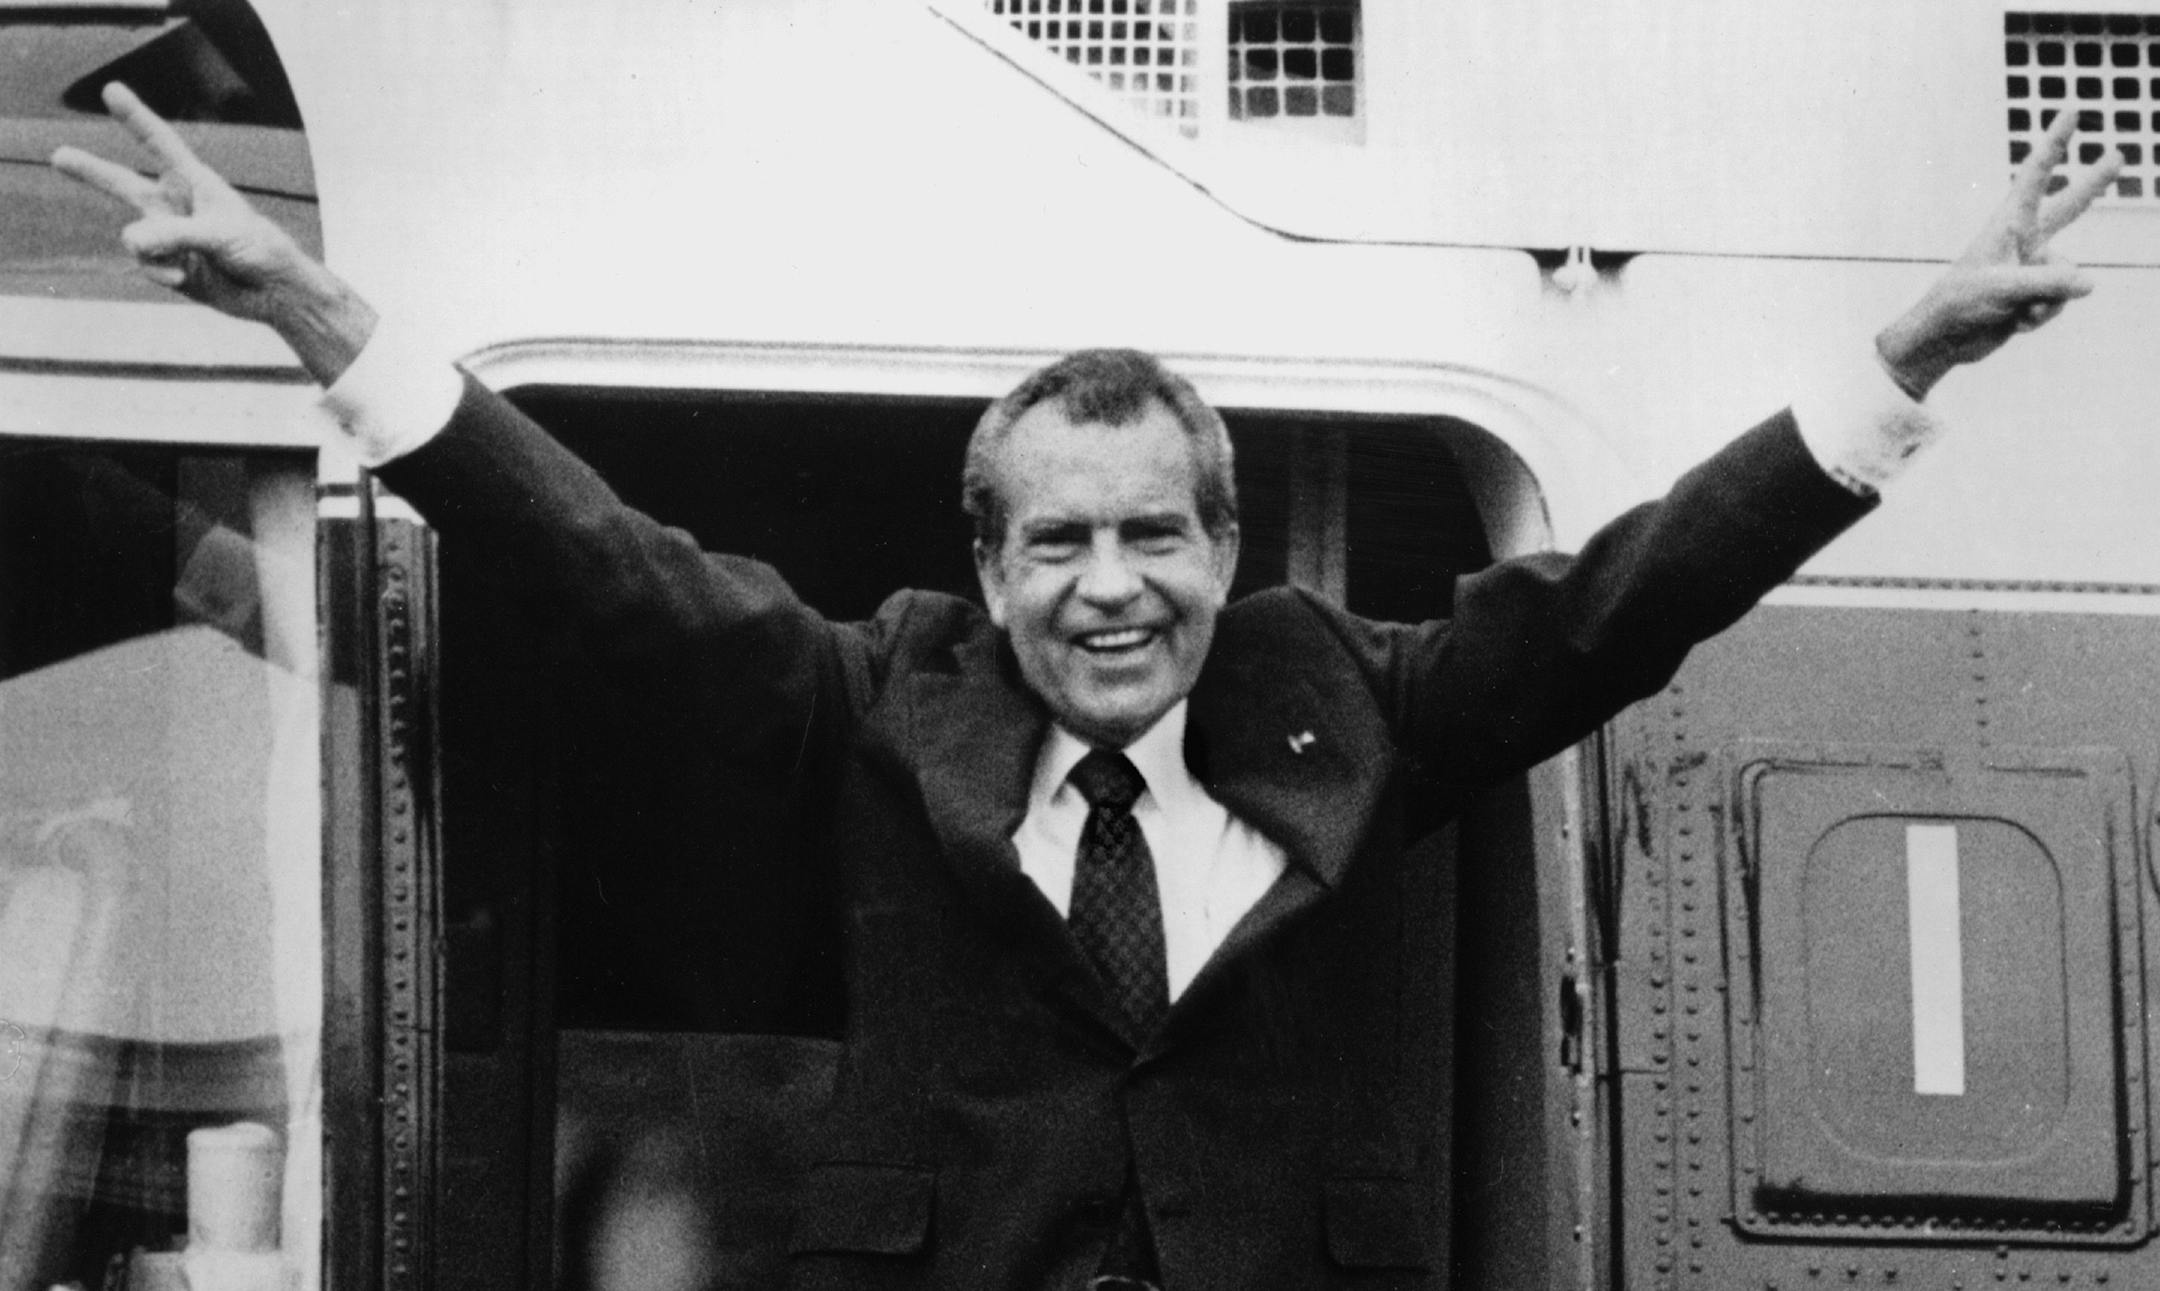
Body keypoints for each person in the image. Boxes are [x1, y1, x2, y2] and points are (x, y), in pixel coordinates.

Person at [53, 82, 2119, 1290]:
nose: (1110, 587)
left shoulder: (1354, 699)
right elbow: (610, 574)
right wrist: (320, 314)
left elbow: (1634, 598)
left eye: (1156, 535)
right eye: (1059, 541)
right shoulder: (881, 698)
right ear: (988, 565)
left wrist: (1899, 364)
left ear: (1223, 548)